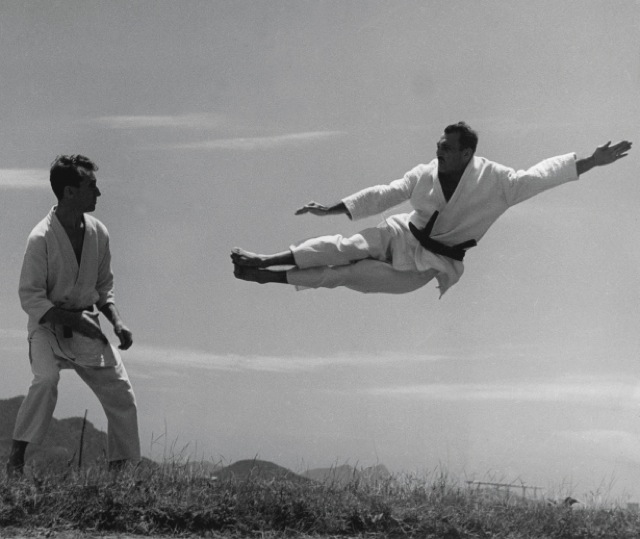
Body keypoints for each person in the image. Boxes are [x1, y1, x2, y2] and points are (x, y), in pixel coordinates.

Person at [232, 122, 632, 295]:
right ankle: (265, 259)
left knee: (345, 276)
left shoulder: (499, 184)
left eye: (445, 146)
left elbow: (543, 175)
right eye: (438, 144)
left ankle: (266, 279)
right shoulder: (425, 173)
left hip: (429, 265)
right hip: (403, 232)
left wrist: (592, 161)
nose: (437, 149)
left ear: (466, 153)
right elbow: (387, 192)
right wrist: (331, 208)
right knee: (345, 245)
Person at [6, 155, 140, 476]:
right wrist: (72, 320)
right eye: (90, 185)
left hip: (85, 325)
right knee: (46, 379)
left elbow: (103, 287)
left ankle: (117, 476)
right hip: (48, 328)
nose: (98, 193)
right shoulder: (41, 238)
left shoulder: (98, 233)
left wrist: (117, 323)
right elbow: (31, 297)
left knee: (121, 394)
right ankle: (15, 460)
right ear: (69, 192)